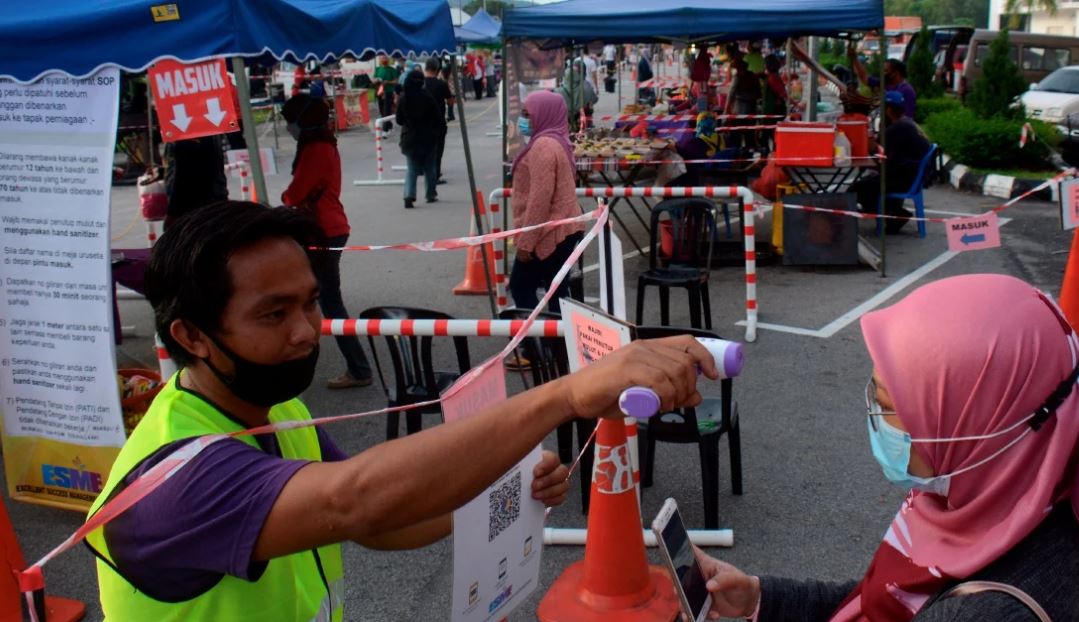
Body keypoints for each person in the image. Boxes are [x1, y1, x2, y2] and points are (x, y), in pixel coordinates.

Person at [86, 201, 719, 620]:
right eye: (273, 315)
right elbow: (351, 500)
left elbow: (377, 523)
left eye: (309, 303)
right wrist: (565, 395)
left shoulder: (265, 410)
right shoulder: (172, 479)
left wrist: (498, 485)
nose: (308, 332)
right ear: (192, 337)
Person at [695, 273, 1079, 622]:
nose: (874, 418)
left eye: (890, 406)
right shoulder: (1018, 513)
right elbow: (893, 601)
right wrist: (758, 597)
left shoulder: (987, 613)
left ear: (984, 428)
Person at [279, 95, 373, 390]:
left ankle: (359, 369)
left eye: (290, 120)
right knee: (320, 298)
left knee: (329, 302)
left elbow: (295, 194)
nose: (289, 127)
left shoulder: (315, 148)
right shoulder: (323, 143)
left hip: (322, 231)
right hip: (325, 228)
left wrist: (286, 198)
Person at [509, 91, 583, 313]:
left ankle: (539, 343)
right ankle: (559, 343)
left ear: (543, 114)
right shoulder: (556, 140)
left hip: (550, 233)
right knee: (557, 292)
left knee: (521, 286)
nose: (523, 119)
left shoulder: (543, 146)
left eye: (527, 114)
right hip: (563, 228)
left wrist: (526, 242)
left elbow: (540, 200)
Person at [851, 91, 931, 234]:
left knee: (858, 189)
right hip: (913, 176)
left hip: (905, 179)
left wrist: (868, 140)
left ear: (888, 110)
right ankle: (895, 212)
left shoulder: (896, 129)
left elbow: (879, 154)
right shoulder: (907, 123)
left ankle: (894, 216)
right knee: (869, 181)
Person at [396, 70, 444, 209]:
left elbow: (399, 120)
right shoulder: (427, 97)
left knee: (411, 168)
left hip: (409, 138)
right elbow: (438, 118)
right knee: (430, 167)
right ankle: (430, 194)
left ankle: (409, 195)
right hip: (428, 138)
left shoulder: (404, 98)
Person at [163, 135, 228, 228]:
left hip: (192, 210)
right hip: (216, 200)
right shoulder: (211, 129)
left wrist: (172, 213)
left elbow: (181, 175)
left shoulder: (181, 133)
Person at [423, 58, 453, 186]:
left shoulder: (420, 84)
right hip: (438, 121)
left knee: (425, 148)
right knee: (438, 150)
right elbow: (450, 101)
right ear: (437, 69)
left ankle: (426, 172)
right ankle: (435, 175)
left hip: (422, 121)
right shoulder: (441, 84)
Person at [372, 54, 400, 137]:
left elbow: (396, 81)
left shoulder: (392, 69)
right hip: (379, 92)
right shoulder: (377, 69)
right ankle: (389, 125)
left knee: (386, 111)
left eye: (385, 58)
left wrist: (388, 82)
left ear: (388, 59)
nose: (383, 59)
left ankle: (385, 130)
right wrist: (376, 80)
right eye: (382, 58)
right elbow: (373, 80)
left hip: (388, 92)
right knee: (381, 110)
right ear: (379, 59)